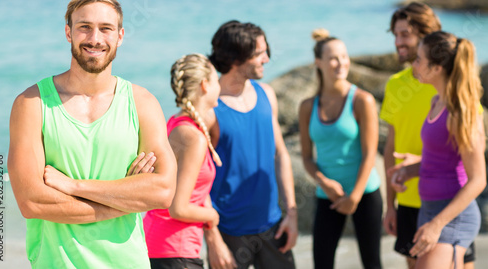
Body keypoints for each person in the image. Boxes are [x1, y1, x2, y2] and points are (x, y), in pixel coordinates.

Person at [7, 0, 177, 268]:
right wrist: (125, 200)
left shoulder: (142, 103)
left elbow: (163, 192)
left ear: (120, 36)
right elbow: (32, 202)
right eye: (84, 27)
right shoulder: (32, 104)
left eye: (106, 29)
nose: (95, 39)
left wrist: (75, 186)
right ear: (68, 33)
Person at [204, 20, 298, 269]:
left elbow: (280, 154)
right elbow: (195, 183)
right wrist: (213, 240)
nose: (266, 59)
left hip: (273, 225)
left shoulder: (267, 94)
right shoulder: (210, 110)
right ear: (237, 58)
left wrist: (291, 212)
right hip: (229, 231)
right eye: (259, 53)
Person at [391, 31, 486, 269]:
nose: (414, 63)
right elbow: (443, 160)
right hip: (429, 210)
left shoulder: (461, 113)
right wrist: (410, 170)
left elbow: (478, 180)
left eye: (419, 59)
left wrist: (437, 225)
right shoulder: (436, 102)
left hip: (452, 217)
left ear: (436, 68)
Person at [298, 28, 382, 269]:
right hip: (328, 196)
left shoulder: (362, 100)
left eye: (344, 56)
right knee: (322, 263)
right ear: (318, 62)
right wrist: (323, 182)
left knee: (372, 264)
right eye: (334, 58)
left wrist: (354, 196)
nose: (341, 63)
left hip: (364, 193)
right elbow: (306, 157)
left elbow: (369, 154)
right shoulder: (307, 107)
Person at [143, 54, 222, 269]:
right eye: (216, 79)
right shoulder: (193, 137)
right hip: (175, 251)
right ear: (205, 85)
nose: (219, 85)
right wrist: (213, 216)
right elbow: (178, 208)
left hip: (159, 245)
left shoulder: (175, 123)